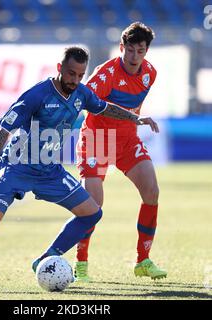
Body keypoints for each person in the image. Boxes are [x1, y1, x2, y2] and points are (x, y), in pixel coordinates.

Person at [0, 46, 157, 292]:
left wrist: (135, 118)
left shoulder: (81, 93)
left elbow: (104, 106)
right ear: (59, 68)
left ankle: (45, 259)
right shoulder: (36, 95)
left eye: (80, 75)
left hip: (49, 172)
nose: (75, 80)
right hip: (17, 167)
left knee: (92, 213)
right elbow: (4, 130)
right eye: (70, 74)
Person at [74, 22, 167, 281]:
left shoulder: (150, 73)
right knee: (93, 206)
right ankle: (81, 264)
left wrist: (131, 121)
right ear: (121, 47)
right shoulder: (106, 74)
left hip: (127, 139)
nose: (135, 57)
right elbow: (86, 103)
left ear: (146, 51)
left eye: (141, 51)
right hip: (98, 139)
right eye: (130, 50)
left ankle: (143, 260)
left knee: (152, 192)